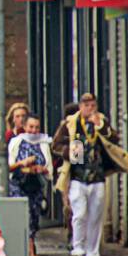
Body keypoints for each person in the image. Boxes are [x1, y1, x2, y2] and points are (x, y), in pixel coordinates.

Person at [50, 93, 128, 256]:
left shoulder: (100, 121)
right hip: (77, 176)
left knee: (95, 216)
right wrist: (70, 152)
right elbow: (56, 145)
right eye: (87, 105)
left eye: (93, 105)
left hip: (97, 176)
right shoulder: (70, 123)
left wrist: (102, 127)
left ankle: (92, 254)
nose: (90, 109)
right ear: (80, 106)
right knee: (79, 214)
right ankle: (78, 251)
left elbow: (114, 139)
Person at [8, 114, 53, 256]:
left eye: (37, 127)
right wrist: (22, 164)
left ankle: (90, 255)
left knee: (33, 221)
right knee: (24, 218)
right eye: (31, 127)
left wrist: (43, 170)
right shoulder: (17, 141)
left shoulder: (45, 142)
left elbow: (49, 167)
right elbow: (8, 166)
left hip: (35, 185)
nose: (34, 131)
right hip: (19, 184)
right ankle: (30, 255)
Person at [51, 102, 79, 244]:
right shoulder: (65, 128)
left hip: (84, 172)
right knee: (69, 205)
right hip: (68, 171)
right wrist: (70, 152)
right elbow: (55, 146)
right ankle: (71, 233)